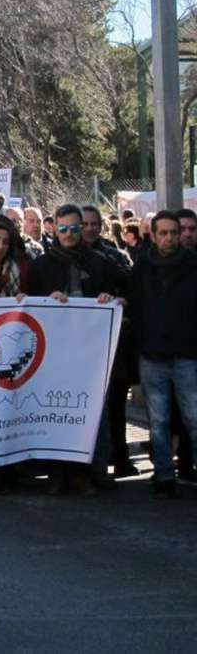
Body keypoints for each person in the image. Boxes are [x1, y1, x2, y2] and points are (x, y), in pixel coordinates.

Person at [27, 204, 124, 494]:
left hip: (91, 353)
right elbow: (27, 301)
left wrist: (113, 298)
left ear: (82, 229)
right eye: (63, 228)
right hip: (53, 352)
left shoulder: (100, 262)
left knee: (92, 412)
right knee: (55, 411)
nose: (69, 234)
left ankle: (88, 473)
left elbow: (124, 290)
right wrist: (46, 299)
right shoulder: (41, 265)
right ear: (54, 229)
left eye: (74, 228)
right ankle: (57, 473)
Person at [125, 210, 197, 498]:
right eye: (163, 233)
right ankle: (164, 475)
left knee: (194, 418)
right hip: (153, 356)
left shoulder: (193, 265)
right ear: (153, 236)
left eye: (173, 232)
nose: (169, 238)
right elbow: (133, 304)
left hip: (187, 355)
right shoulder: (142, 268)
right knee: (159, 421)